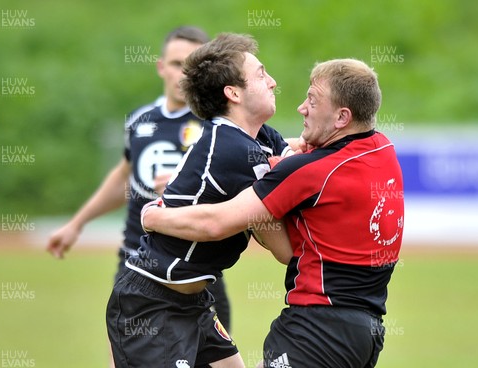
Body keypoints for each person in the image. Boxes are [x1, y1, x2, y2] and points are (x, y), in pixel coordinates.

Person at [141, 58, 405, 368]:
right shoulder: (382, 150)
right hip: (366, 334)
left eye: (313, 101)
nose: (301, 108)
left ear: (342, 117)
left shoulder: (312, 172)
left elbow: (217, 223)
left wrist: (153, 216)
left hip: (317, 331)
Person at [106, 33, 294, 368]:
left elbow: (295, 156)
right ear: (233, 93)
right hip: (152, 302)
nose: (273, 81)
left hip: (193, 302)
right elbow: (285, 252)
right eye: (262, 74)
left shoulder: (260, 136)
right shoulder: (233, 149)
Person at [45, 26, 237, 330]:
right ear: (161, 67)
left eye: (193, 67)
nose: (184, 74)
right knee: (124, 356)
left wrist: (183, 187)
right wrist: (77, 224)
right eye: (176, 64)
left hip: (197, 270)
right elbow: (124, 177)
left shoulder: (218, 126)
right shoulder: (139, 120)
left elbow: (239, 192)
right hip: (138, 261)